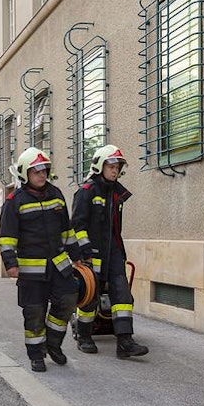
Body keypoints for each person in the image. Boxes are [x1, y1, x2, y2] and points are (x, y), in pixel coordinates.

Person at [0, 147, 82, 372]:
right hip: (31, 270)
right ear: (25, 173)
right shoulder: (14, 200)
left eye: (44, 170)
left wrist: (77, 256)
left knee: (67, 301)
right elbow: (6, 237)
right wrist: (10, 263)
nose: (42, 175)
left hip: (59, 264)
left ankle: (53, 344)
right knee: (34, 312)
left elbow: (67, 229)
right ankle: (36, 354)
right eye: (37, 171)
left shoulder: (56, 194)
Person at [71, 145, 149, 359]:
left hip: (113, 251)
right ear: (99, 166)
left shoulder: (116, 192)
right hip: (92, 253)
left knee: (122, 294)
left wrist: (119, 252)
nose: (115, 171)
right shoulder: (86, 191)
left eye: (118, 167)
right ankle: (84, 336)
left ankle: (125, 341)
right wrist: (85, 250)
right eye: (111, 166)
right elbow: (77, 224)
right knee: (90, 294)